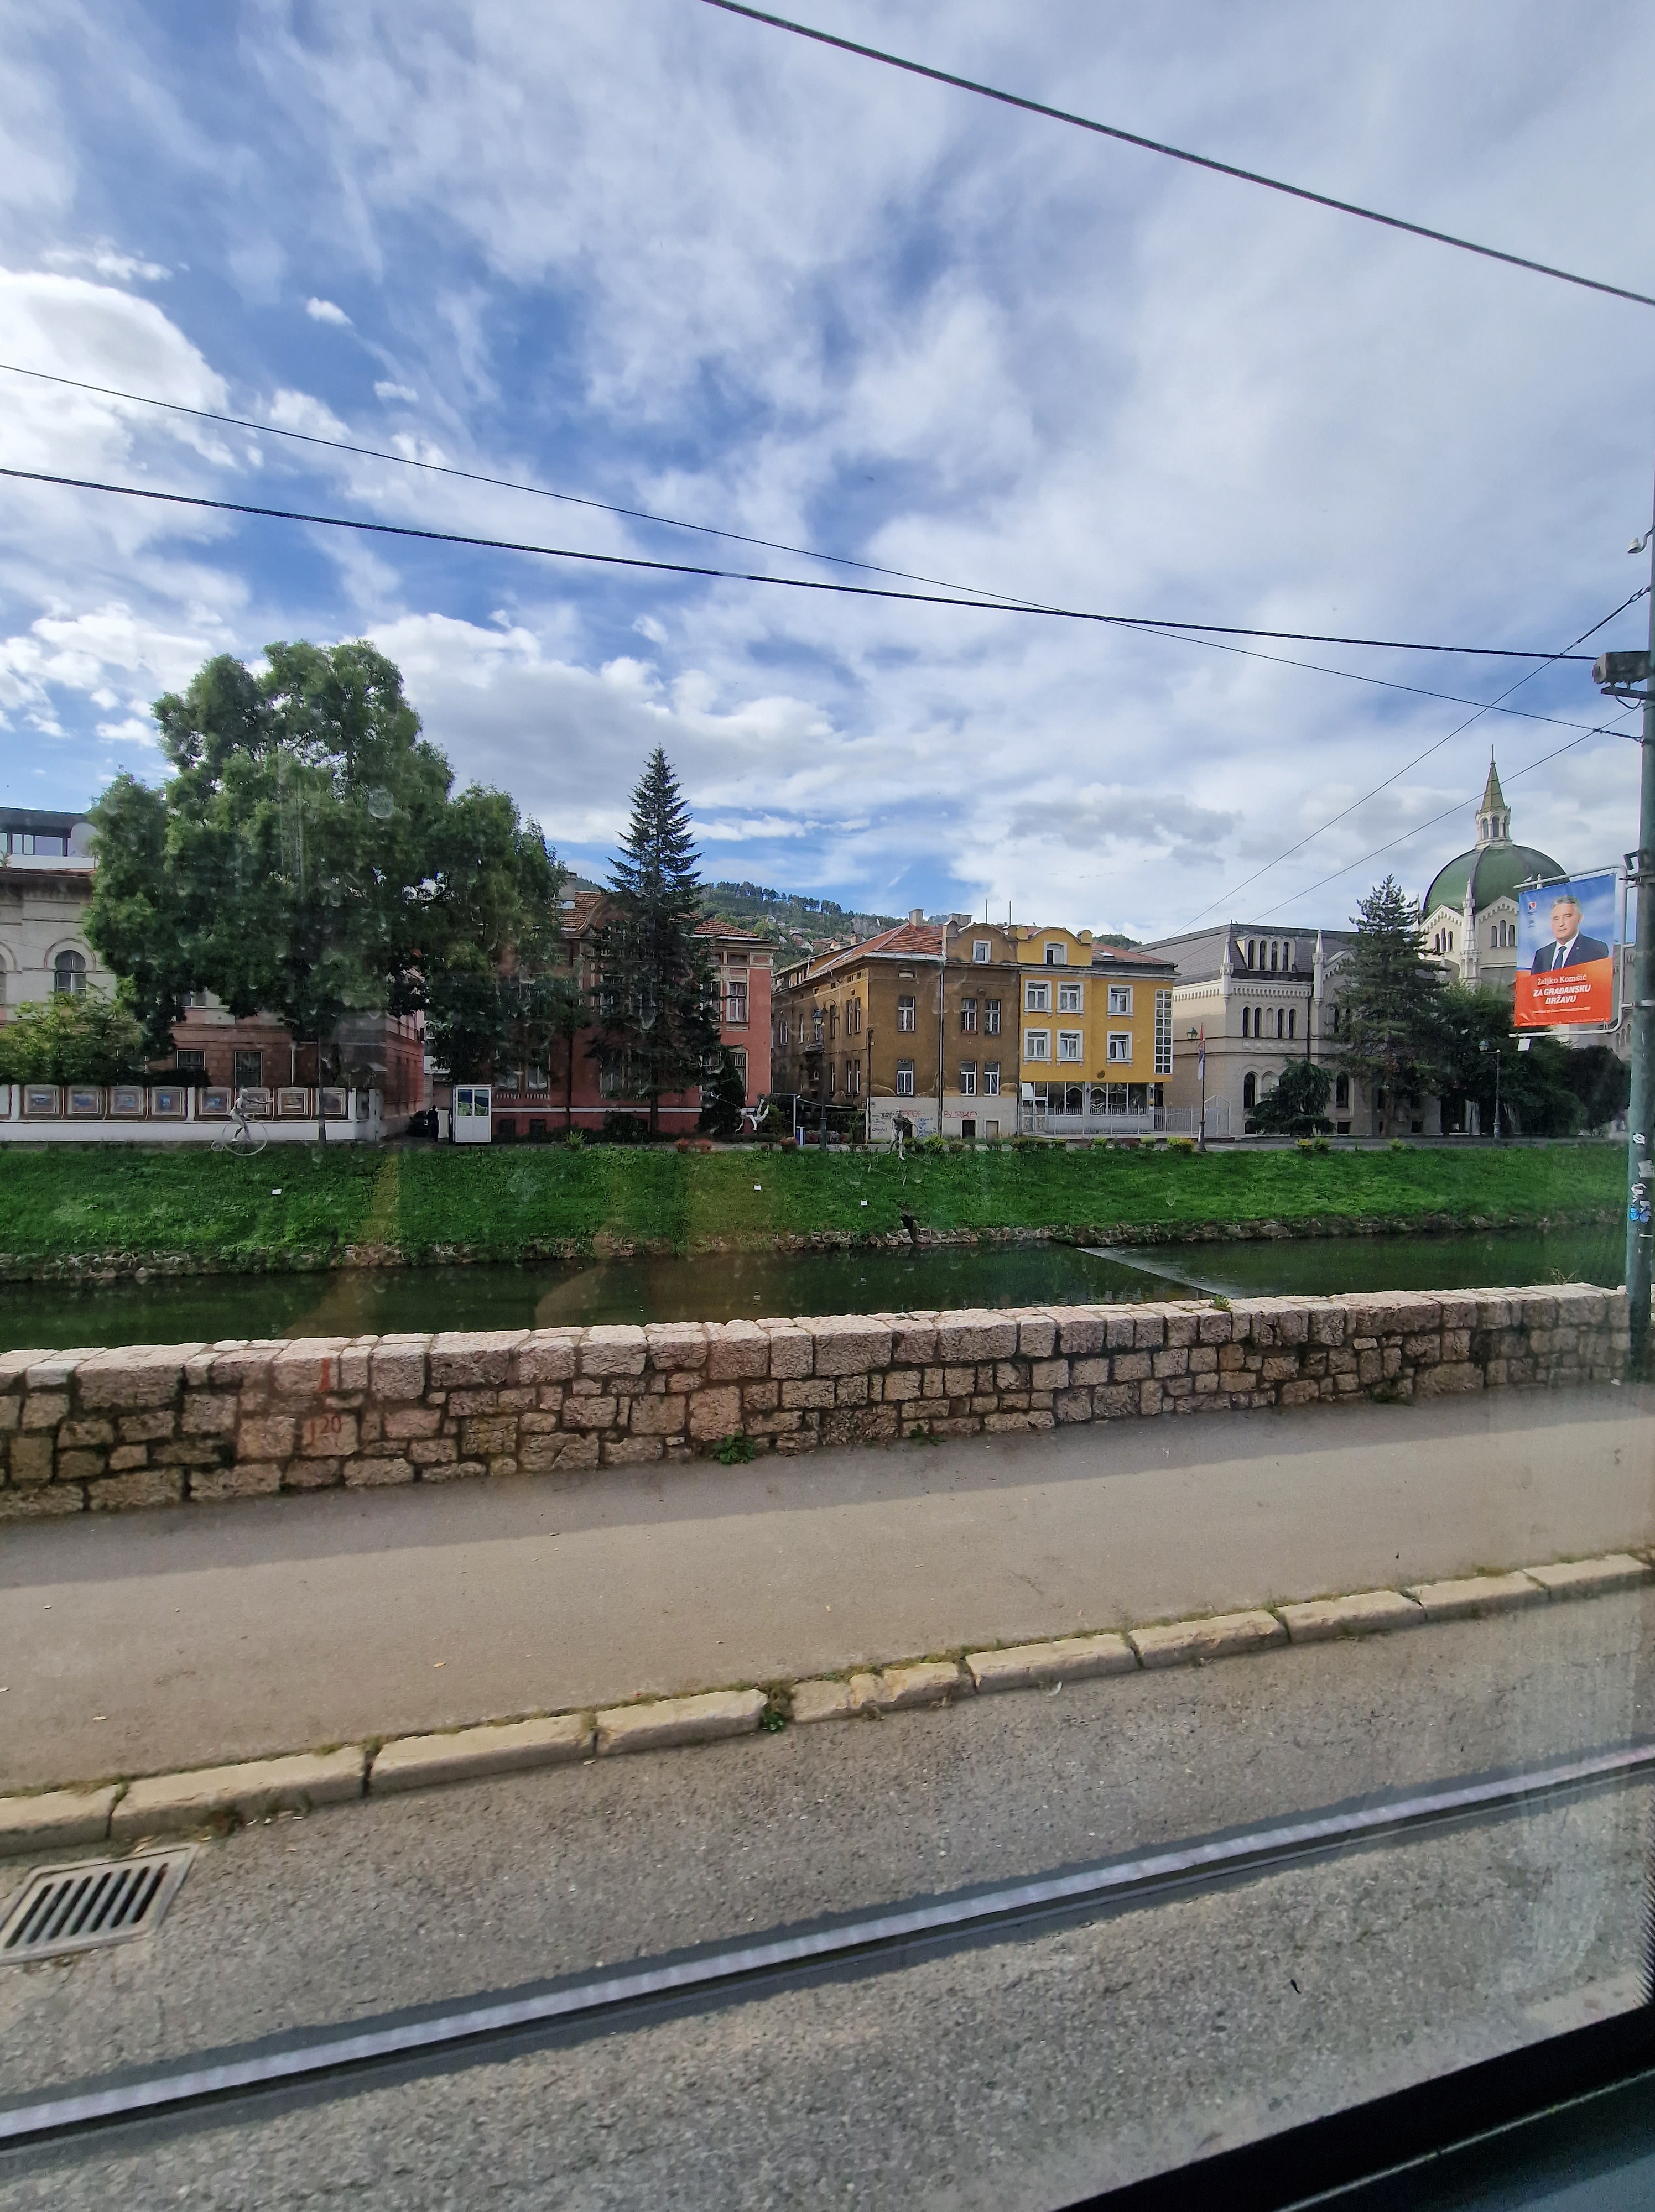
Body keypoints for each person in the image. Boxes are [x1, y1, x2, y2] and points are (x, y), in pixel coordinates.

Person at [1531, 894, 1609, 973]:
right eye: (1556, 919)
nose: (1561, 924)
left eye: (1567, 917)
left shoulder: (1595, 949)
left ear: (1580, 918)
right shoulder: (1542, 954)